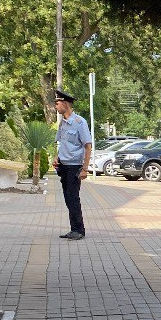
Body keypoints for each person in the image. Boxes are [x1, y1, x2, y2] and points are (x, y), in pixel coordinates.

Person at [53, 91, 92, 240]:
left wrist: (84, 169)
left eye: (57, 103)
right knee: (68, 198)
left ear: (66, 103)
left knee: (73, 198)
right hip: (63, 166)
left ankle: (79, 230)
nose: (56, 106)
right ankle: (73, 228)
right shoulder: (62, 123)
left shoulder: (79, 122)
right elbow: (61, 143)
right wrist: (57, 158)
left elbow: (88, 146)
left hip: (75, 166)